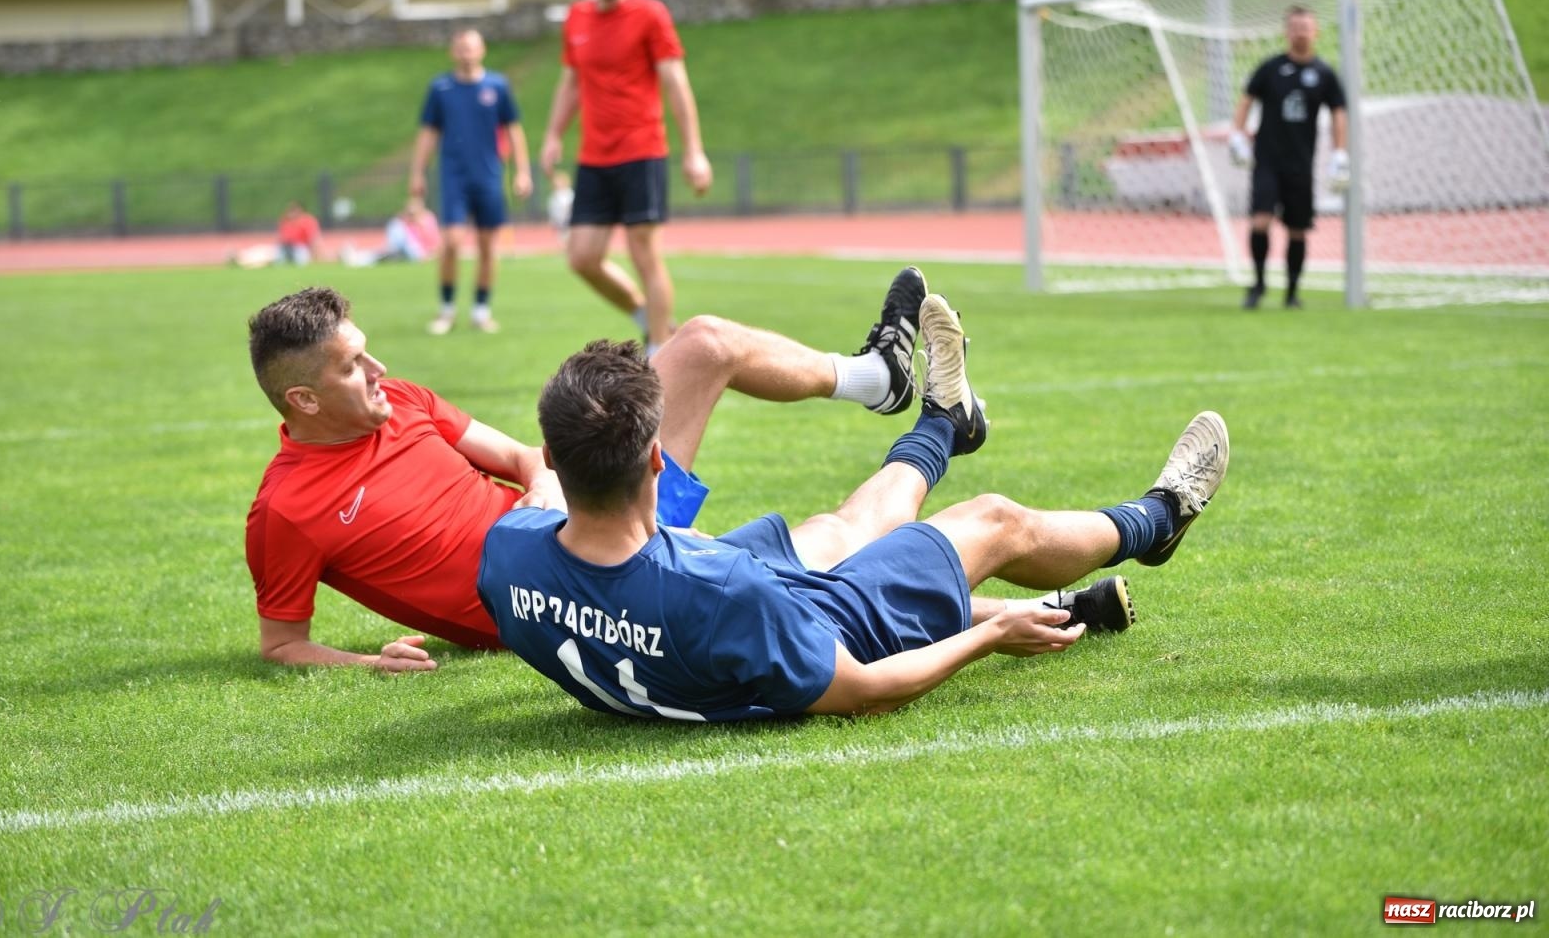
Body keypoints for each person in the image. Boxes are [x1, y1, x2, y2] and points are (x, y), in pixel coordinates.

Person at [478, 293, 1229, 720]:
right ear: (654, 463)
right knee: (993, 521)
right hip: (796, 625)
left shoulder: (508, 554)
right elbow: (862, 691)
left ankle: (945, 424)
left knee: (838, 528)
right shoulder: (726, 592)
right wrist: (990, 634)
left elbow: (554, 534)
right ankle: (1159, 520)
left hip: (684, 602)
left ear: (552, 459)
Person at [243, 268, 925, 671]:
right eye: (352, 366)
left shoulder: (401, 399)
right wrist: (372, 662)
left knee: (705, 341)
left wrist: (542, 485)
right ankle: (937, 456)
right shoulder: (287, 510)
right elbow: (281, 645)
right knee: (818, 548)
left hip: (585, 509)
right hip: (564, 591)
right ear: (304, 399)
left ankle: (876, 380)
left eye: (367, 352)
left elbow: (521, 456)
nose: (379, 370)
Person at [540, 0, 712, 354]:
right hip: (594, 156)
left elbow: (675, 82)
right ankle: (647, 317)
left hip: (642, 151)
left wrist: (694, 151)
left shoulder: (650, 14)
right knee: (582, 257)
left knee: (644, 254)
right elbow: (571, 82)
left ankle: (660, 354)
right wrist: (553, 135)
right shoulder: (577, 18)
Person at [408, 28, 533, 335]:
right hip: (454, 178)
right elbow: (428, 133)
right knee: (451, 243)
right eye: (461, 48)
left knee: (488, 247)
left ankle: (481, 310)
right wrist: (418, 173)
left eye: (471, 48)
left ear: (482, 50)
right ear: (453, 52)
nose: (467, 54)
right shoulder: (441, 88)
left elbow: (513, 129)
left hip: (489, 177)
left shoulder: (497, 86)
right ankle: (447, 309)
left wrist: (522, 170)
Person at [1228, 5, 1349, 310]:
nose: (1300, 33)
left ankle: (1292, 293)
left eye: (1305, 27)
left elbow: (1338, 112)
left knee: (1297, 229)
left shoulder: (1324, 73)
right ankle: (1258, 284)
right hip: (1267, 161)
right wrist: (1237, 135)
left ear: (1315, 31)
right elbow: (1246, 99)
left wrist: (1340, 153)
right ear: (1287, 32)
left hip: (1301, 164)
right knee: (1260, 221)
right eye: (1295, 28)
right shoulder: (1271, 68)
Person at [339, 201, 441, 267]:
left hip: (417, 253)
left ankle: (356, 258)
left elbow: (432, 243)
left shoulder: (427, 221)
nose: (411, 217)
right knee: (383, 253)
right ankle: (356, 257)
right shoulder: (406, 224)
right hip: (405, 250)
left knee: (384, 253)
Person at [231, 200, 323, 269]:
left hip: (299, 247)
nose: (291, 212)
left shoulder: (308, 221)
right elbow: (282, 237)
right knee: (267, 253)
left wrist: (317, 256)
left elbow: (313, 239)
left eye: (294, 209)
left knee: (295, 260)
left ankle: (242, 260)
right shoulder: (286, 221)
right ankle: (241, 259)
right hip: (284, 247)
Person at [546, 169, 575, 246]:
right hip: (560, 222)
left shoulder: (568, 193)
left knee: (568, 238)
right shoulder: (554, 195)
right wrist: (552, 220)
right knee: (562, 239)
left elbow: (571, 204)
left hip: (568, 220)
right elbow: (552, 209)